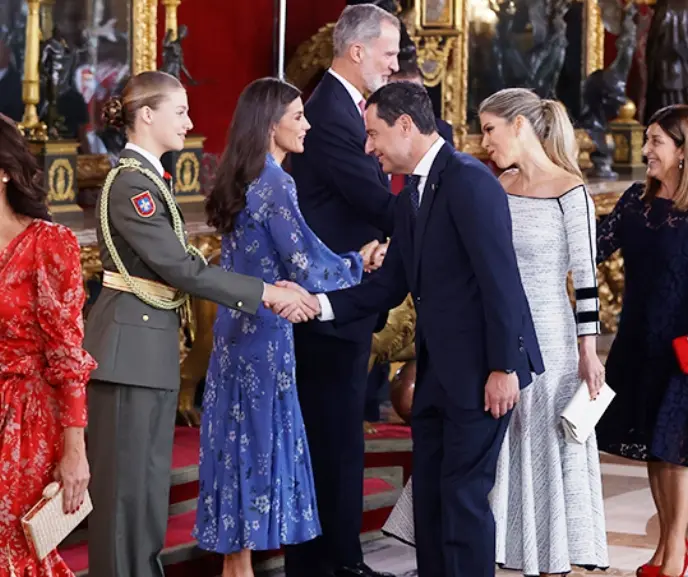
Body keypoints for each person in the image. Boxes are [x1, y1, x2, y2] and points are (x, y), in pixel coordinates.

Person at [275, 81, 543, 577]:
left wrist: (504, 366)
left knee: (462, 503)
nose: (368, 147)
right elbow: (386, 287)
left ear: (404, 126)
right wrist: (317, 304)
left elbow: (500, 280)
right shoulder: (411, 194)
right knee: (434, 505)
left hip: (483, 374)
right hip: (439, 374)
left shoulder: (468, 181)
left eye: (374, 134)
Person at [83, 71, 309, 577]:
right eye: (180, 110)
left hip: (148, 351)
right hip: (129, 356)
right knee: (125, 500)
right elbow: (182, 269)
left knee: (143, 495)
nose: (190, 121)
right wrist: (266, 292)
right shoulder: (131, 185)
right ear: (147, 115)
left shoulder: (148, 181)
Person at [379, 87, 609, 577]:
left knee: (541, 455)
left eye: (490, 129)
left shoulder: (572, 190)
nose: (484, 142)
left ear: (521, 125)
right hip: (492, 336)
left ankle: (546, 557)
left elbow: (587, 281)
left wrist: (588, 350)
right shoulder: (492, 186)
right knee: (486, 464)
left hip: (550, 334)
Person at [194, 78, 364, 577]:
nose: (307, 125)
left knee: (235, 447)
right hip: (264, 339)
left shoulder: (241, 176)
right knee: (258, 450)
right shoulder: (275, 182)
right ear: (271, 125)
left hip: (232, 334)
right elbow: (305, 262)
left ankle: (236, 567)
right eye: (297, 117)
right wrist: (359, 263)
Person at [594, 104, 688, 577]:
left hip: (687, 350)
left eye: (655, 141)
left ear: (682, 150)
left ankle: (675, 551)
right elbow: (596, 244)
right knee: (655, 446)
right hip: (637, 343)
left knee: (677, 447)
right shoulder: (635, 200)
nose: (647, 149)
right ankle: (663, 547)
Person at [286, 7, 401, 575]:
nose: (396, 64)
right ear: (357, 51)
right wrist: (436, 211)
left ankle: (340, 559)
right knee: (331, 440)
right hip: (326, 303)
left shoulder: (345, 109)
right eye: (389, 53)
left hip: (347, 295)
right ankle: (328, 564)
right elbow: (371, 198)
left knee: (340, 437)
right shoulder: (331, 113)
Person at [0, 114, 94, 577]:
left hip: (26, 417)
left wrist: (74, 449)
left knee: (15, 546)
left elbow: (68, 355)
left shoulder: (49, 244)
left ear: (3, 171)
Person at [387, 60, 453, 143]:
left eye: (414, 92)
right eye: (399, 93)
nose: (407, 100)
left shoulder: (442, 131)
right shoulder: (373, 129)